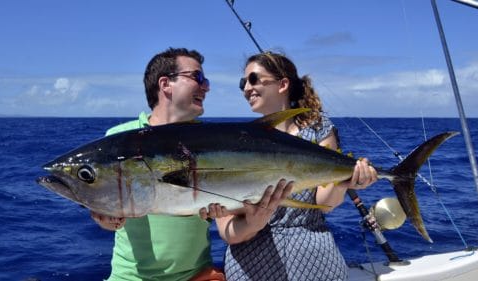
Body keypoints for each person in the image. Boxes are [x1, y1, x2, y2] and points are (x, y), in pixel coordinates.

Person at [213, 52, 378, 281]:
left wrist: (345, 182)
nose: (246, 89)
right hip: (251, 266)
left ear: (282, 84)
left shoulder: (318, 129)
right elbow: (226, 228)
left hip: (315, 260)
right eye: (243, 83)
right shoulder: (238, 142)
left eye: (253, 79)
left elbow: (324, 204)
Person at [89, 47, 225, 281]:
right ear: (165, 84)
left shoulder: (210, 140)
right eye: (198, 78)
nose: (206, 86)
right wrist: (105, 217)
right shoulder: (120, 137)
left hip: (197, 274)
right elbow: (100, 209)